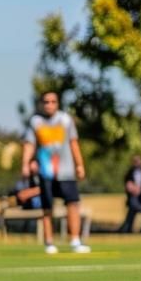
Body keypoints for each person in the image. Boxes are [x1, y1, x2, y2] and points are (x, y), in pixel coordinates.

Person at [22, 91, 89, 254]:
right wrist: (25, 163)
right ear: (41, 104)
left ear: (58, 103)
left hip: (66, 170)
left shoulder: (65, 120)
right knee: (47, 206)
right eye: (46, 102)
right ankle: (49, 242)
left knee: (73, 203)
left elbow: (74, 143)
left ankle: (75, 240)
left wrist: (79, 164)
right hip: (46, 171)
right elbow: (29, 144)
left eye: (53, 102)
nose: (49, 105)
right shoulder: (36, 122)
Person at [118, 154, 141, 233]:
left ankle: (127, 228)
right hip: (133, 197)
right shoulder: (129, 173)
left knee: (134, 209)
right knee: (133, 205)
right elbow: (127, 185)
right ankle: (127, 228)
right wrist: (132, 188)